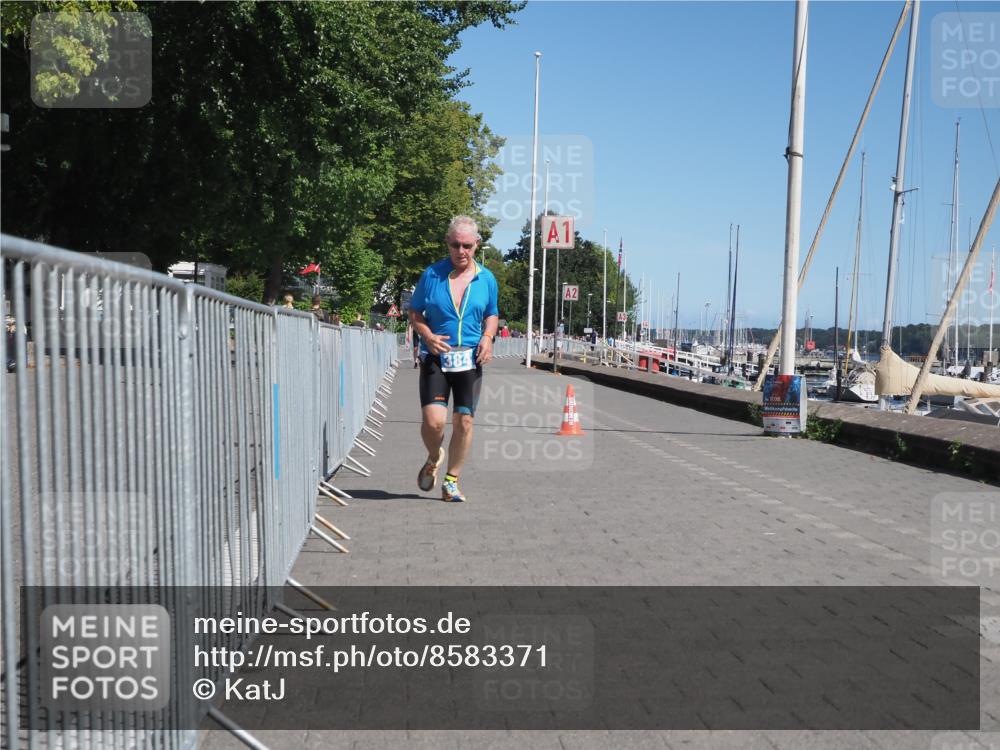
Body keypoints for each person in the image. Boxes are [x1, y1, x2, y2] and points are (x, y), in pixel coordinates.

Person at [408, 215, 499, 502]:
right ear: (448, 242)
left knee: (464, 421)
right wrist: (427, 336)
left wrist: (487, 338)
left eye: (468, 246)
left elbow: (492, 314)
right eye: (456, 245)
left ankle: (451, 480)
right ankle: (434, 456)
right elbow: (414, 312)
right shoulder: (432, 275)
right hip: (436, 357)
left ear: (477, 245)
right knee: (434, 422)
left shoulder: (486, 278)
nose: (462, 252)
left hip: (470, 359)